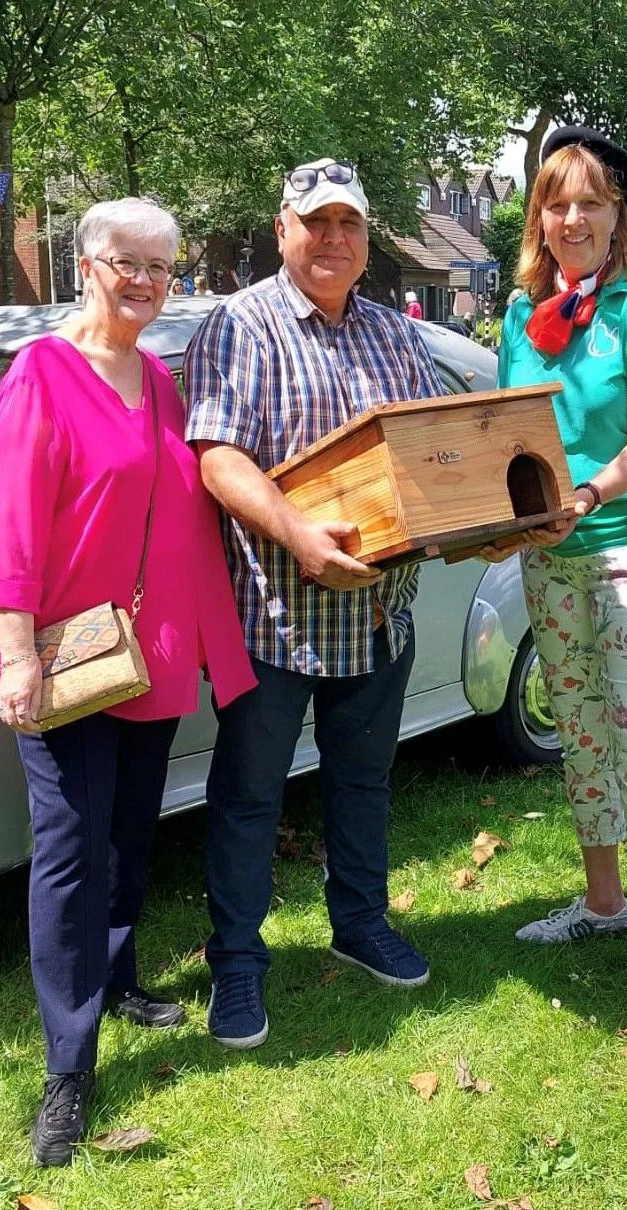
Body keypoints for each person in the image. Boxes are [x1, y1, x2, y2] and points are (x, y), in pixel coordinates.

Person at [0, 197, 255, 1164]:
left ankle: (122, 973)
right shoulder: (41, 375)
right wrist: (14, 653)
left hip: (151, 653)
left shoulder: (163, 383)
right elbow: (13, 528)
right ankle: (68, 1065)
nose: (143, 280)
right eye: (125, 262)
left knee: (132, 831)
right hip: (64, 658)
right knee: (68, 851)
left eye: (159, 267)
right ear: (84, 265)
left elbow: (187, 511)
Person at [184, 157, 445, 1050]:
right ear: (283, 226)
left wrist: (485, 517)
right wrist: (296, 531)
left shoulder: (395, 333)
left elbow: (437, 448)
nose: (335, 239)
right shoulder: (239, 326)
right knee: (250, 797)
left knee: (363, 784)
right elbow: (218, 457)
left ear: (367, 240)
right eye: (318, 222)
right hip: (276, 618)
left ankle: (360, 923)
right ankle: (237, 965)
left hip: (378, 616)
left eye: (351, 225)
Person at [491, 127, 627, 1030]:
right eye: (556, 200)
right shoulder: (519, 311)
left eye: (590, 201)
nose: (572, 216)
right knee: (581, 739)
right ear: (539, 214)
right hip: (554, 553)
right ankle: (605, 903)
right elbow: (509, 430)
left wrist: (589, 491)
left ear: (618, 214)